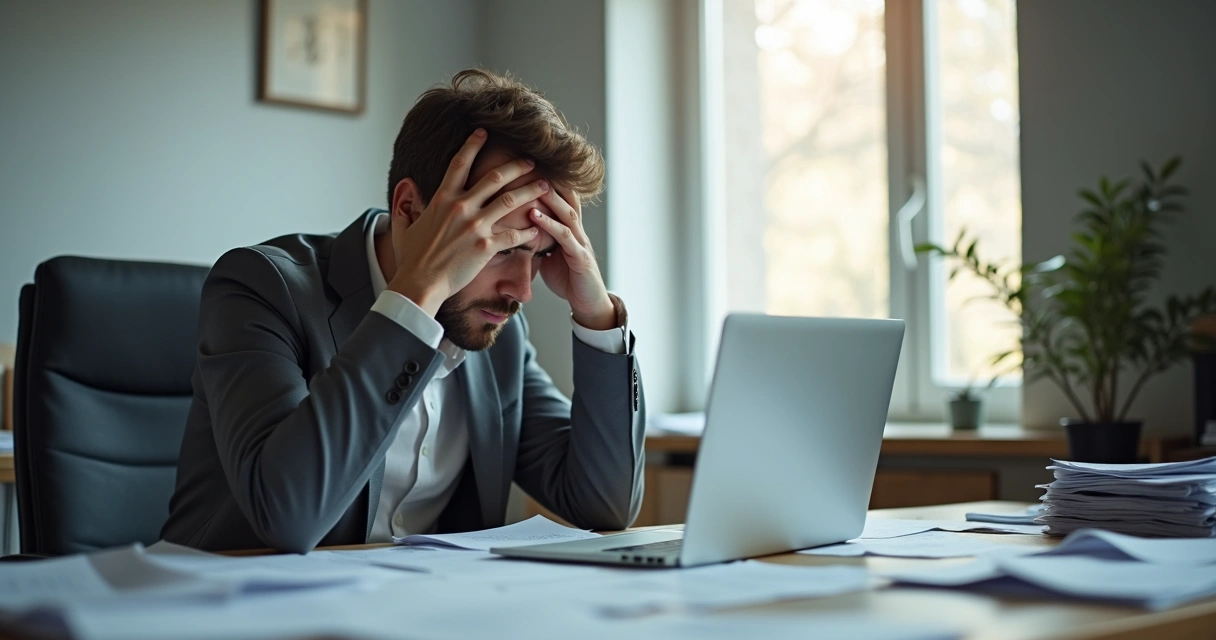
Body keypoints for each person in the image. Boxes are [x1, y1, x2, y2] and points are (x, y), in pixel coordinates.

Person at [161, 69, 644, 553]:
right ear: (410, 208)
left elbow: (603, 504)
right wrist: (417, 296)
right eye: (499, 248)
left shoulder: (494, 329)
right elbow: (288, 515)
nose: (522, 291)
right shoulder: (261, 287)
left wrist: (596, 313)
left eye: (538, 255)